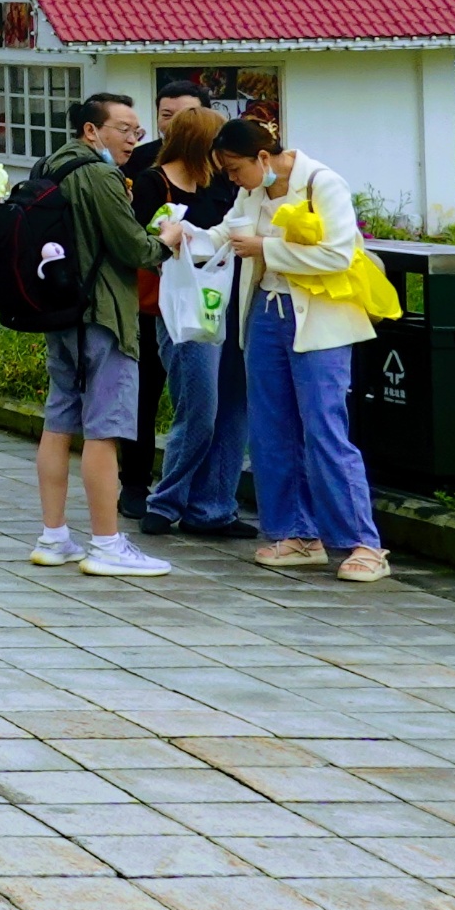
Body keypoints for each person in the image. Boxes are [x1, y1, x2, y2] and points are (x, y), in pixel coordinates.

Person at [213, 116, 388, 581]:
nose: (233, 179)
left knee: (323, 427)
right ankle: (296, 533)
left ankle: (363, 543)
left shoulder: (322, 182)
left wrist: (266, 248)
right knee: (270, 428)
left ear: (263, 157)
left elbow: (337, 253)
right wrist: (179, 237)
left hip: (320, 317)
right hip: (266, 312)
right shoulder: (252, 191)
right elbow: (227, 232)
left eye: (235, 169)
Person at [31, 94, 174, 576]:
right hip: (105, 315)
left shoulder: (50, 166)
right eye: (123, 129)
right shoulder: (98, 173)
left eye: (137, 131)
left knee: (58, 422)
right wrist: (166, 241)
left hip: (61, 312)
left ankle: (53, 538)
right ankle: (108, 545)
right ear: (91, 131)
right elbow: (133, 248)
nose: (133, 139)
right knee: (105, 429)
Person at [131, 104, 252, 539]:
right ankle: (165, 502)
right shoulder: (153, 183)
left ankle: (213, 508)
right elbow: (143, 242)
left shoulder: (225, 184)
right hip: (182, 308)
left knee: (233, 408)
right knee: (200, 407)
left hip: (229, 303)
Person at [123, 78, 211, 444]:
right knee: (143, 391)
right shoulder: (141, 163)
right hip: (152, 297)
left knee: (200, 400)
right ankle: (135, 474)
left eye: (186, 114)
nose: (174, 123)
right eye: (166, 114)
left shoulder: (220, 168)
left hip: (206, 299)